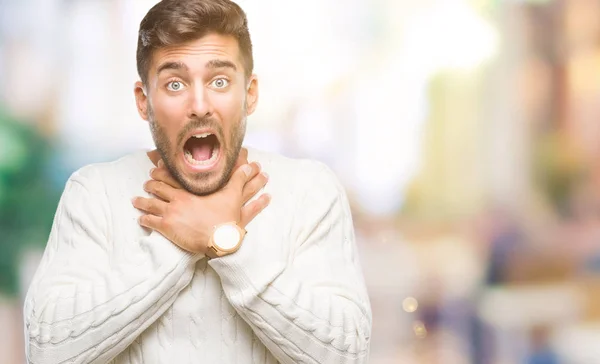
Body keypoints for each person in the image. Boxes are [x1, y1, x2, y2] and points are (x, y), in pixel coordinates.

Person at [23, 1, 372, 363]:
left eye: (219, 81)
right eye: (175, 83)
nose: (200, 105)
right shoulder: (93, 193)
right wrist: (178, 245)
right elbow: (48, 352)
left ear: (249, 94)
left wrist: (226, 243)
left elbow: (347, 355)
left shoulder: (311, 191)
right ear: (144, 102)